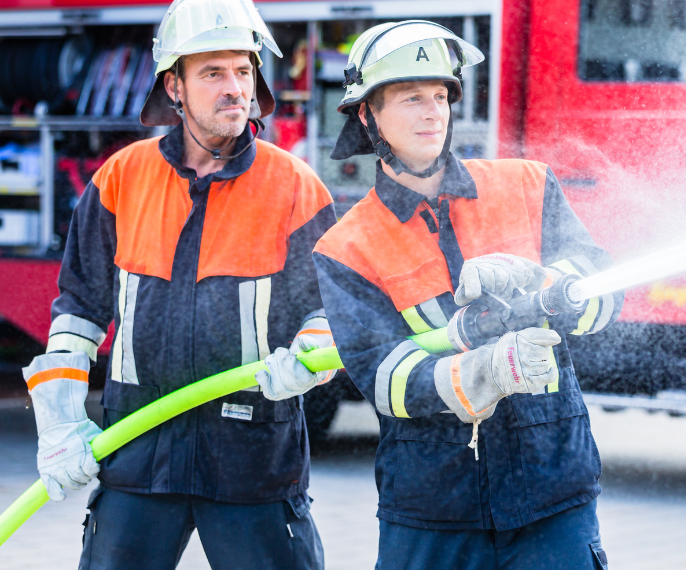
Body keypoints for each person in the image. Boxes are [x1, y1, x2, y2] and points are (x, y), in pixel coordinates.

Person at [21, 0, 337, 567]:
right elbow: (78, 309)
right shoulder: (122, 177)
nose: (234, 87)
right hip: (138, 458)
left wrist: (311, 359)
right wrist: (61, 419)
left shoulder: (294, 187)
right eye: (212, 72)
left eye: (243, 70)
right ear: (175, 86)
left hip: (253, 464)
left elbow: (328, 312)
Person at [310, 21, 622, 570]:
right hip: (433, 511)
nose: (433, 112)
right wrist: (486, 373)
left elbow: (604, 293)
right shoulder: (347, 247)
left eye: (440, 96)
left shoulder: (527, 185)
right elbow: (383, 377)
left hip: (552, 497)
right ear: (366, 115)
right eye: (411, 98)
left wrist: (543, 283)